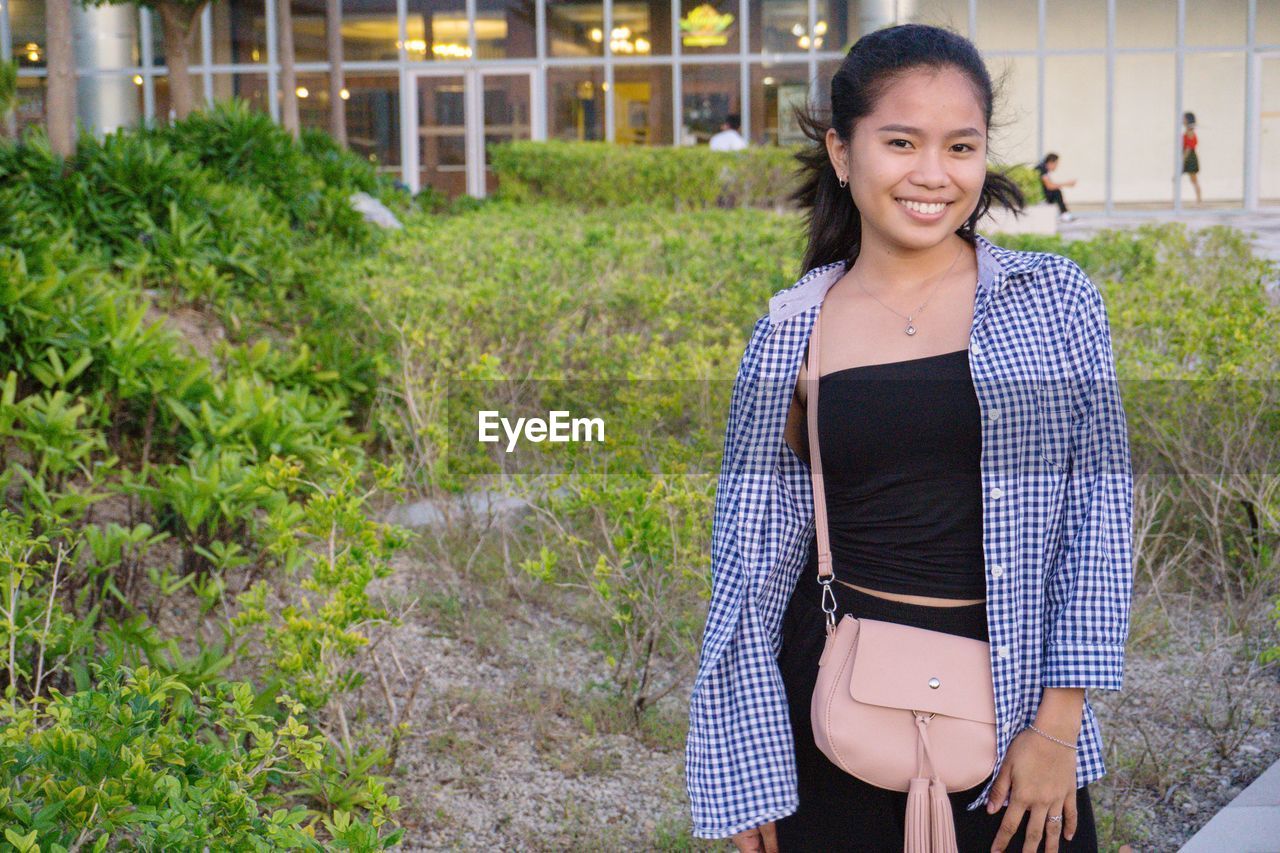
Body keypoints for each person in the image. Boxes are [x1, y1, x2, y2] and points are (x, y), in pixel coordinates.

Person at [685, 22, 1134, 853]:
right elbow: (747, 565)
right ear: (844, 152)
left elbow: (1098, 523)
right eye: (901, 141)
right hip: (829, 713)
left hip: (1015, 727)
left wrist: (1058, 728)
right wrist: (741, 765)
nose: (933, 174)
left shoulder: (1056, 302)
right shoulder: (791, 330)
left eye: (960, 146)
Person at [1035, 153, 1076, 222]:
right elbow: (1049, 186)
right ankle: (1064, 214)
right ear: (1051, 163)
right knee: (1056, 192)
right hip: (1039, 196)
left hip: (1042, 194)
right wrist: (1067, 184)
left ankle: (1064, 214)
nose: (1056, 167)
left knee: (1056, 191)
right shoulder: (1041, 169)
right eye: (1056, 164)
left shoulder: (1043, 169)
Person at [1182, 111, 1201, 205]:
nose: (1182, 120)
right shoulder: (1188, 131)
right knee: (1193, 179)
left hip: (1189, 157)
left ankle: (1199, 200)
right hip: (1188, 156)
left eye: (1184, 118)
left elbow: (1188, 148)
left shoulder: (1189, 132)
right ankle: (1198, 199)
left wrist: (1183, 160)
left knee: (1194, 179)